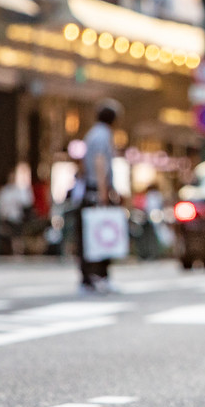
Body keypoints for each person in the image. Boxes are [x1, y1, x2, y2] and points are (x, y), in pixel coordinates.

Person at [78, 101, 122, 294]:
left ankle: (88, 278)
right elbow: (99, 162)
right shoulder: (103, 135)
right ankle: (98, 276)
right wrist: (104, 193)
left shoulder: (91, 133)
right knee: (100, 233)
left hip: (89, 189)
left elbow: (82, 163)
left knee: (88, 234)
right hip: (96, 191)